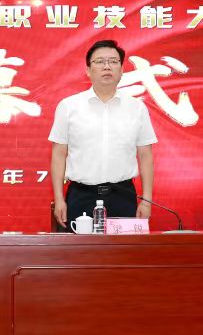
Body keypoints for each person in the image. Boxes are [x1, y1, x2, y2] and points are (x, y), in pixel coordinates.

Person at [50, 39, 157, 230]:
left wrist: (147, 201)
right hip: (81, 195)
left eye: (113, 61)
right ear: (88, 70)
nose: (107, 66)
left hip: (123, 195)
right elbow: (59, 155)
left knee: (123, 249)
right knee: (80, 249)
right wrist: (59, 199)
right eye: (99, 61)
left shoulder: (137, 108)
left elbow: (145, 155)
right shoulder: (68, 106)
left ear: (121, 70)